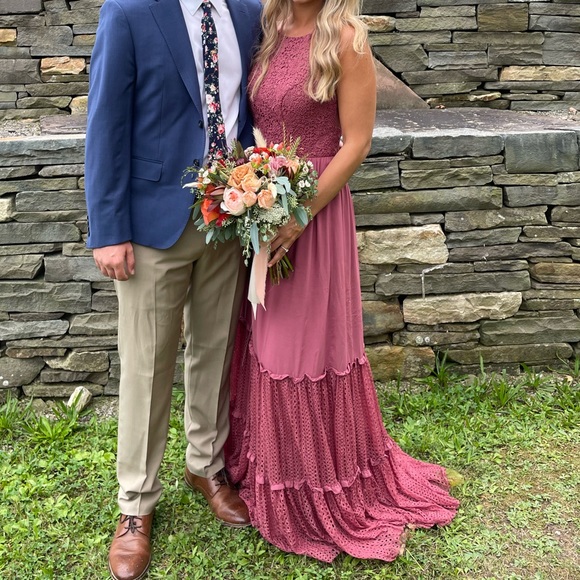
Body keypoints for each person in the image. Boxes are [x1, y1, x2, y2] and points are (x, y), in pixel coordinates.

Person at [225, 0, 460, 563]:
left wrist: (299, 215)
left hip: (316, 217)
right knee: (266, 343)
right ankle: (272, 476)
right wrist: (257, 195)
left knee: (302, 352)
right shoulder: (269, 26)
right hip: (266, 212)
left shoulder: (347, 38)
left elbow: (356, 142)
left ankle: (317, 488)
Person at [84, 0, 261, 578]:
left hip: (228, 218)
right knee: (147, 364)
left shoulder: (248, 12)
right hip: (151, 226)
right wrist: (109, 230)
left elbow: (246, 112)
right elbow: (105, 124)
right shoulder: (129, 12)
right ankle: (136, 503)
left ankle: (206, 465)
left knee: (215, 348)